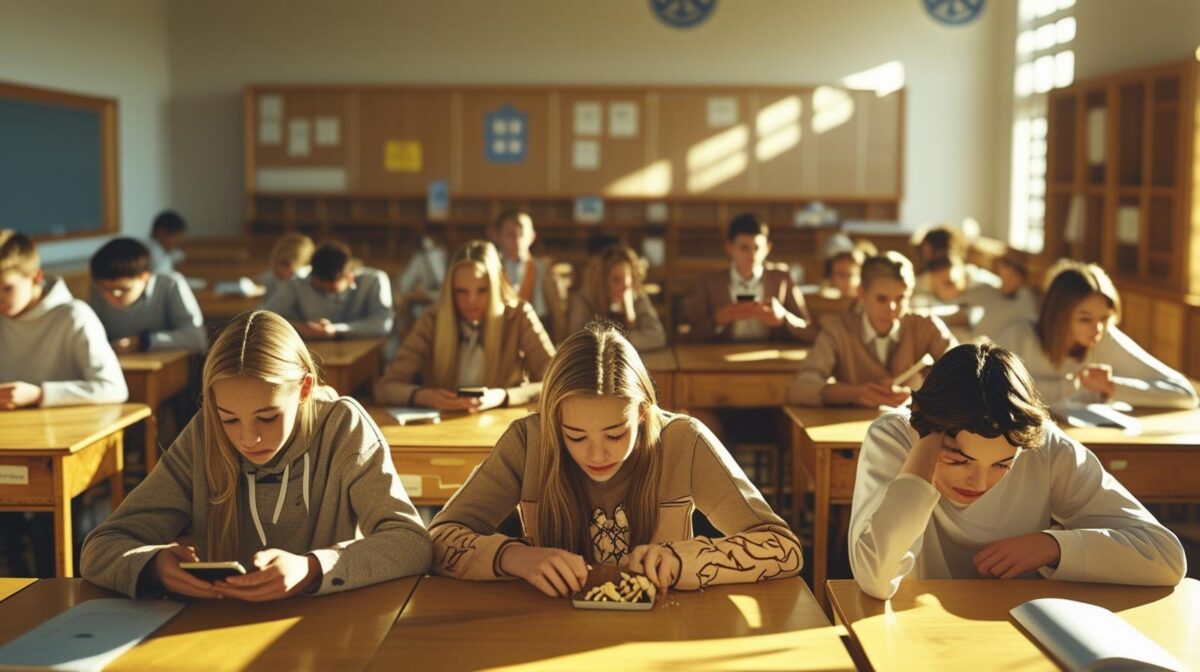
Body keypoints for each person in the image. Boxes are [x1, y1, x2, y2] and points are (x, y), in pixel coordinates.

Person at [427, 322, 802, 595]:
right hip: (547, 636)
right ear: (554, 421)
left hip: (659, 637)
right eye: (575, 436)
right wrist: (515, 557)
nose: (596, 454)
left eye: (615, 434)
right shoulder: (529, 441)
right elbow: (437, 540)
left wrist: (682, 560)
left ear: (642, 412)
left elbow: (783, 549)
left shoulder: (683, 440)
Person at [80, 310, 432, 599]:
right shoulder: (205, 433)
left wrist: (312, 568)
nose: (248, 439)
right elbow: (101, 546)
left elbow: (411, 543)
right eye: (230, 419)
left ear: (304, 389)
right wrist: (153, 565)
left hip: (326, 628)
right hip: (220, 633)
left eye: (267, 417)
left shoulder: (343, 426)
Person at [848, 342, 1186, 600]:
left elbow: (1167, 557)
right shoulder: (894, 438)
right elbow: (875, 578)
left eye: (1002, 464)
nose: (980, 482)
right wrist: (926, 435)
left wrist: (1055, 546)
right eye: (959, 459)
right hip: (908, 633)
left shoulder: (1043, 445)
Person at [374, 240, 555, 411]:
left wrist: (503, 396)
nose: (471, 301)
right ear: (450, 290)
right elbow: (385, 388)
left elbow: (557, 383)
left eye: (482, 290)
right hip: (444, 425)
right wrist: (424, 396)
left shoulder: (519, 316)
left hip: (503, 424)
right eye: (461, 291)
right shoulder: (432, 319)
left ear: (495, 287)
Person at [994, 260, 1197, 409]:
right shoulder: (1017, 337)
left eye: (1104, 318)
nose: (1098, 329)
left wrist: (1111, 386)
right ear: (1058, 316)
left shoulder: (1103, 339)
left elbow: (1185, 394)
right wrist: (1073, 386)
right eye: (1085, 319)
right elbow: (992, 396)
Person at [787, 251, 957, 407]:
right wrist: (855, 394)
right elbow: (799, 389)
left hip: (914, 427)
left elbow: (964, 375)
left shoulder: (927, 327)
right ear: (861, 294)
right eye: (882, 299)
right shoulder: (838, 330)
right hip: (851, 426)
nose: (892, 308)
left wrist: (922, 396)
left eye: (900, 298)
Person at [0, 230, 127, 409]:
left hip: (70, 424)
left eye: (6, 288)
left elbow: (113, 388)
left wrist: (39, 394)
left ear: (35, 277)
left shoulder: (75, 316)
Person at [686, 212, 815, 343]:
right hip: (721, 353)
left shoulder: (781, 278)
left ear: (768, 248)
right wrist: (717, 320)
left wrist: (783, 317)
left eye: (757, 248)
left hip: (770, 353)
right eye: (744, 248)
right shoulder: (710, 281)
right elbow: (691, 336)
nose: (752, 255)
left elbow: (810, 332)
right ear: (729, 248)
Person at [89, 237, 207, 354]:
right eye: (106, 289)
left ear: (145, 277)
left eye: (124, 289)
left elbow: (197, 338)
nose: (114, 295)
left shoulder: (170, 284)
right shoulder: (97, 289)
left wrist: (144, 342)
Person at [263, 240, 394, 339]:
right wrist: (298, 328)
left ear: (350, 277)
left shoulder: (373, 281)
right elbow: (264, 317)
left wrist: (336, 330)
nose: (326, 294)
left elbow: (383, 324)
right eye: (319, 288)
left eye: (331, 289)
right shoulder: (299, 282)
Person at [567, 245, 666, 350]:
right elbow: (576, 339)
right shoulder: (586, 298)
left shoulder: (635, 295)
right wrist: (617, 341)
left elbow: (657, 337)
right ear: (604, 281)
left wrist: (630, 319)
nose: (622, 287)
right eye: (616, 280)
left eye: (626, 279)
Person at [257, 233, 315, 304]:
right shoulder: (269, 278)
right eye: (275, 262)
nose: (278, 268)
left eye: (285, 264)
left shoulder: (302, 283)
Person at [146, 210, 188, 275]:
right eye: (176, 238)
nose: (178, 243)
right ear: (161, 233)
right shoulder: (153, 252)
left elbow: (178, 254)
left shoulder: (163, 250)